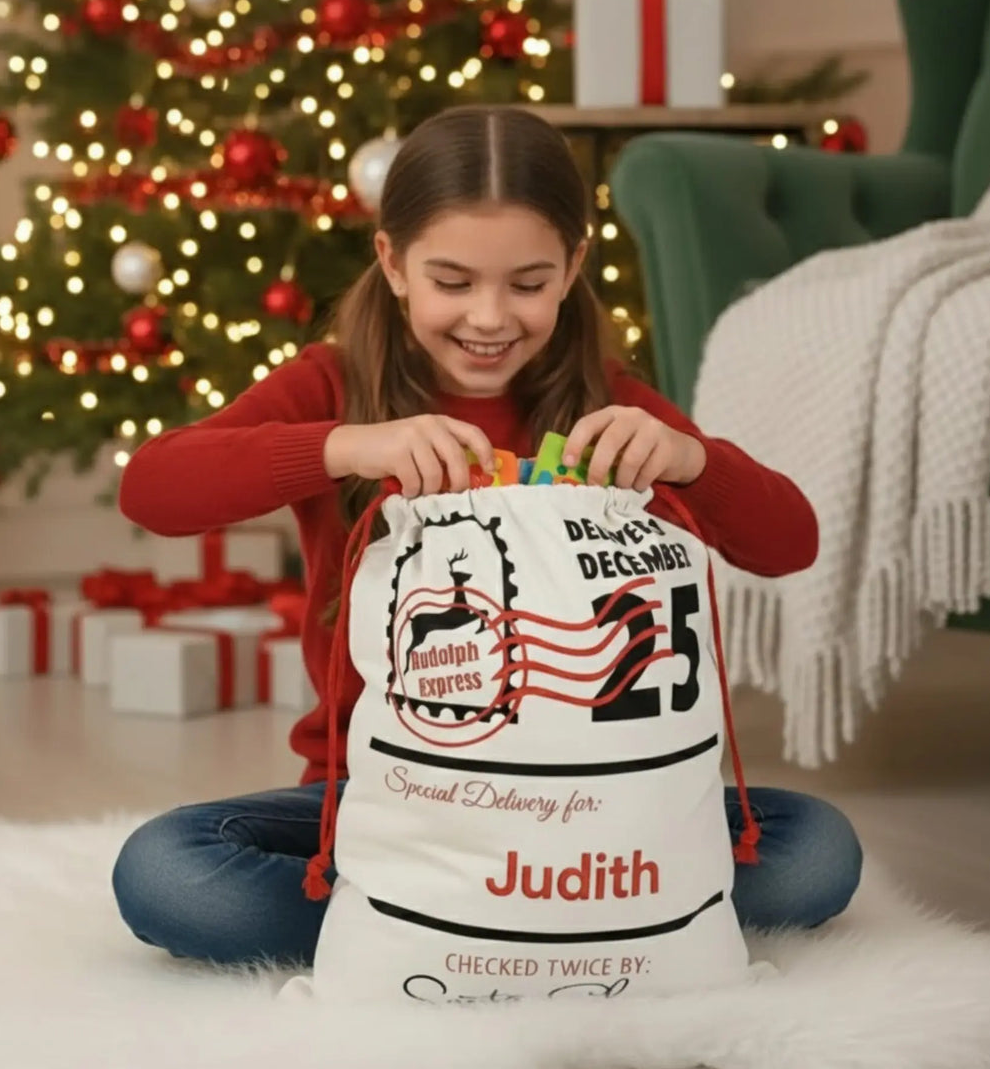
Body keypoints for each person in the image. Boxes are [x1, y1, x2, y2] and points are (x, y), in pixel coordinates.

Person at [111, 105, 862, 969]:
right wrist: (349, 443)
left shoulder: (602, 399)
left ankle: (448, 925)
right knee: (166, 874)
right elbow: (154, 488)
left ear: (576, 264)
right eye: (454, 281)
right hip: (384, 793)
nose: (490, 317)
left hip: (597, 805)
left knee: (817, 850)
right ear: (392, 262)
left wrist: (692, 461)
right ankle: (553, 927)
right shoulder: (333, 383)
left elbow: (790, 542)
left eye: (530, 283)